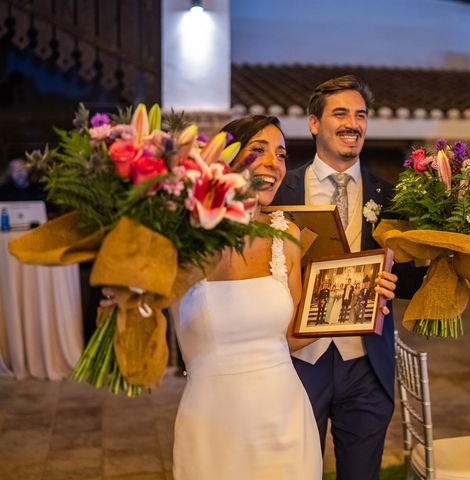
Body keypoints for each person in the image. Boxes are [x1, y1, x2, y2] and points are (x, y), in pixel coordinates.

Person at [101, 114, 398, 479]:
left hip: (285, 419)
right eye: (259, 150)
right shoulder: (177, 238)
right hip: (211, 424)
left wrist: (361, 300)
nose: (274, 163)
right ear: (224, 159)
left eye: (282, 153)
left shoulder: (285, 235)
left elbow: (291, 338)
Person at [272, 75, 404, 479]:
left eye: (360, 115)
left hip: (365, 363)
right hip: (298, 360)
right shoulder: (280, 191)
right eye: (341, 113)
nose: (353, 123)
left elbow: (411, 278)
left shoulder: (392, 196)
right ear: (314, 123)